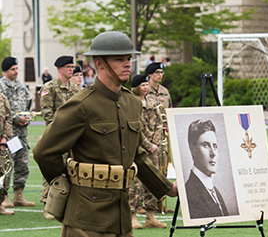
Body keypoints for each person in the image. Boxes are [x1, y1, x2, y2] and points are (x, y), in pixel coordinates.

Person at [33, 31, 177, 236]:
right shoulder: (81, 105)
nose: (127, 64)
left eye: (129, 58)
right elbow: (43, 152)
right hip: (85, 220)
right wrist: (67, 182)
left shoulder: (132, 103)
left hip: (121, 218)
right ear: (99, 63)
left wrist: (167, 188)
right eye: (119, 59)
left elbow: (136, 155)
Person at [39, 55, 82, 219]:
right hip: (57, 136)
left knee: (75, 169)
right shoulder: (49, 88)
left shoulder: (77, 89)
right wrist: (60, 133)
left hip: (76, 137)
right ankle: (48, 205)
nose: (71, 70)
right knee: (54, 170)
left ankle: (71, 205)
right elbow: (48, 115)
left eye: (72, 67)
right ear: (59, 69)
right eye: (68, 67)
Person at [129, 74, 167, 229]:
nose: (145, 88)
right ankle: (132, 216)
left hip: (153, 149)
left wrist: (155, 143)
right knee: (135, 183)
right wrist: (147, 145)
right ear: (136, 87)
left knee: (153, 180)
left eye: (146, 85)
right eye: (142, 85)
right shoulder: (130, 102)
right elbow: (134, 127)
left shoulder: (152, 101)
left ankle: (150, 217)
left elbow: (159, 122)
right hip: (136, 148)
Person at [0, 57, 35, 209]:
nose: (16, 71)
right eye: (12, 69)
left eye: (16, 68)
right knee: (7, 165)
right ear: (5, 71)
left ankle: (19, 195)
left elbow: (29, 104)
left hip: (22, 133)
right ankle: (4, 196)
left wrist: (27, 118)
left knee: (23, 164)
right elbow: (3, 110)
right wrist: (16, 118)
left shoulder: (22, 85)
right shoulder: (1, 86)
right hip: (7, 133)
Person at [185, 119, 229, 219]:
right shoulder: (190, 191)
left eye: (215, 146)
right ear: (193, 149)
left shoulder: (214, 191)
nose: (213, 153)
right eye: (206, 145)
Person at [145, 62, 173, 212]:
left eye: (161, 72)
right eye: (157, 72)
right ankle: (145, 204)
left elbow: (169, 110)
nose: (160, 75)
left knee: (163, 168)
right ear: (150, 74)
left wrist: (170, 124)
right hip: (148, 134)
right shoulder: (143, 89)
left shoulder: (165, 91)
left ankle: (160, 203)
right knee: (151, 169)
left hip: (163, 134)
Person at [0, 92, 14, 215]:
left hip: (1, 143)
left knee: (2, 175)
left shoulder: (2, 96)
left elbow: (8, 117)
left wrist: (5, 137)